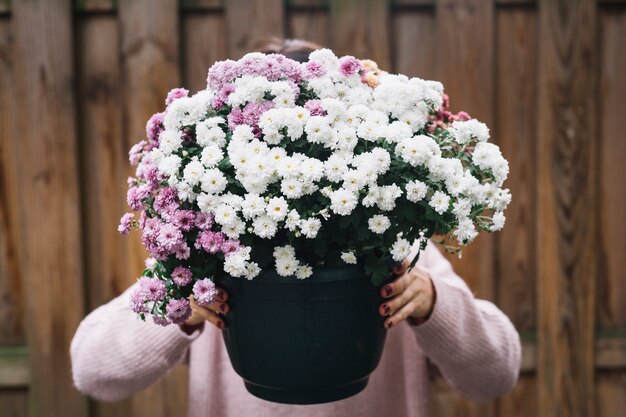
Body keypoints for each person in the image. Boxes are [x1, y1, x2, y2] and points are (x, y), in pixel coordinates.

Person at [70, 39, 521, 417]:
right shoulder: (208, 252)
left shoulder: (399, 252)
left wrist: (432, 303)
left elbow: (497, 374)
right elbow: (92, 370)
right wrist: (179, 308)